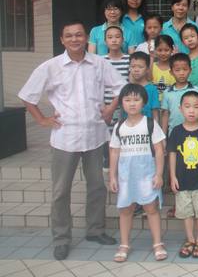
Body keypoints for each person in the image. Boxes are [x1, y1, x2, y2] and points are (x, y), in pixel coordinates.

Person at [19, 20, 125, 260]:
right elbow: (27, 95)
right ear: (62, 39)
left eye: (79, 35)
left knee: (97, 186)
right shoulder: (51, 67)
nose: (75, 39)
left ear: (86, 37)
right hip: (65, 137)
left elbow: (121, 87)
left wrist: (110, 109)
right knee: (60, 191)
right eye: (69, 35)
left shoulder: (99, 64)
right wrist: (42, 120)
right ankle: (61, 238)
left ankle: (95, 230)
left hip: (95, 135)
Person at [109, 83, 166, 262]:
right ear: (121, 103)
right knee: (125, 210)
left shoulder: (150, 124)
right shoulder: (119, 127)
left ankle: (157, 243)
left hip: (147, 174)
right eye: (127, 100)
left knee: (151, 208)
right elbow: (114, 152)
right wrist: (112, 176)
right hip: (126, 176)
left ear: (144, 102)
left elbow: (159, 150)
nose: (132, 104)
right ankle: (124, 244)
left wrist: (159, 174)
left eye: (136, 100)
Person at [168, 91, 198, 259]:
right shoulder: (176, 131)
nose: (191, 110)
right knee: (185, 212)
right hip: (182, 181)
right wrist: (172, 176)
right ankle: (190, 240)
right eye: (187, 106)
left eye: (196, 107)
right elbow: (172, 154)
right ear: (180, 109)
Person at [160, 53, 198, 135]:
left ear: (190, 70)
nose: (181, 73)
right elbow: (165, 115)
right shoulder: (167, 93)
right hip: (174, 134)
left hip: (195, 133)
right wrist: (163, 136)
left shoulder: (196, 90)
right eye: (177, 70)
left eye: (185, 69)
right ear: (171, 72)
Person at [129, 51, 160, 120]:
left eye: (140, 67)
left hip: (147, 125)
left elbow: (155, 114)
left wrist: (155, 126)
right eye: (133, 66)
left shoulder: (152, 89)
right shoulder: (126, 89)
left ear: (147, 69)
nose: (136, 70)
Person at [152, 35, 176, 103]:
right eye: (159, 50)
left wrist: (176, 57)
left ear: (172, 50)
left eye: (166, 50)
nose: (163, 53)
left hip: (171, 103)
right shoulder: (151, 66)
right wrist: (151, 57)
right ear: (155, 50)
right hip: (154, 104)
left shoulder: (175, 68)